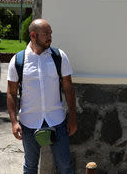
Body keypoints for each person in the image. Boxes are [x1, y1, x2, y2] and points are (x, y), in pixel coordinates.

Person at [7, 18, 77, 174]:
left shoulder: (59, 57)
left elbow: (68, 88)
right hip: (29, 123)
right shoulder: (19, 60)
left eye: (50, 33)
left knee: (65, 166)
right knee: (30, 166)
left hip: (57, 121)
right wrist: (13, 122)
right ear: (33, 35)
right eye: (46, 33)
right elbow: (11, 93)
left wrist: (72, 116)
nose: (50, 36)